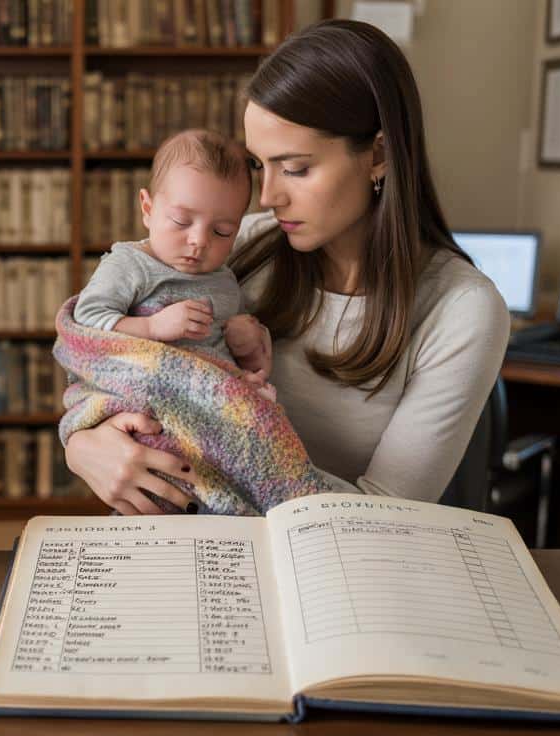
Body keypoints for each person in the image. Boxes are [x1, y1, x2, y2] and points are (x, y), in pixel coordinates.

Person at [63, 19, 509, 514]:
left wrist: (244, 462)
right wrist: (84, 443)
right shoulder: (239, 245)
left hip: (336, 566)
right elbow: (110, 356)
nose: (269, 197)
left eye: (295, 168)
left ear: (379, 154)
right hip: (185, 546)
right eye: (260, 166)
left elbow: (389, 513)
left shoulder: (463, 310)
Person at [73, 128, 274, 400]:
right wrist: (151, 327)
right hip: (145, 393)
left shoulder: (224, 280)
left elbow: (226, 358)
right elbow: (87, 322)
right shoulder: (130, 265)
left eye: (222, 231)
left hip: (209, 397)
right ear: (148, 209)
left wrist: (248, 347)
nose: (199, 240)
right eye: (181, 221)